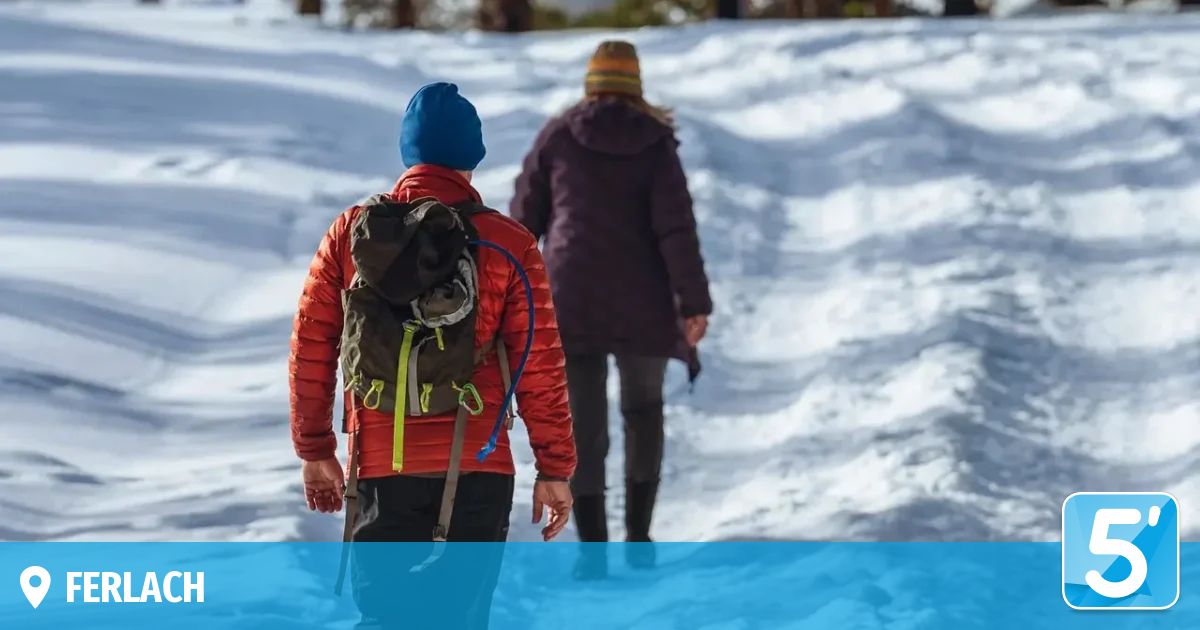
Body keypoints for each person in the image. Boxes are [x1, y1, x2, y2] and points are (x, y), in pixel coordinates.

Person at [289, 82, 577, 627]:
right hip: (477, 464)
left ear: (408, 153)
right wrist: (555, 466)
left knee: (385, 617)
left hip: (380, 462)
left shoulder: (351, 234)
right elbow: (538, 364)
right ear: (473, 156)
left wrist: (315, 447)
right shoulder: (508, 244)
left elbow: (312, 343)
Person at [510, 42, 712, 569]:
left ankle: (593, 552)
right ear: (635, 85)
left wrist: (505, 289)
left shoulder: (559, 134)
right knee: (643, 411)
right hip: (642, 300)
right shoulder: (656, 141)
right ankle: (640, 540)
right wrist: (693, 301)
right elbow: (676, 229)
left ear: (591, 82)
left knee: (583, 424)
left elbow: (523, 220)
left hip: (571, 297)